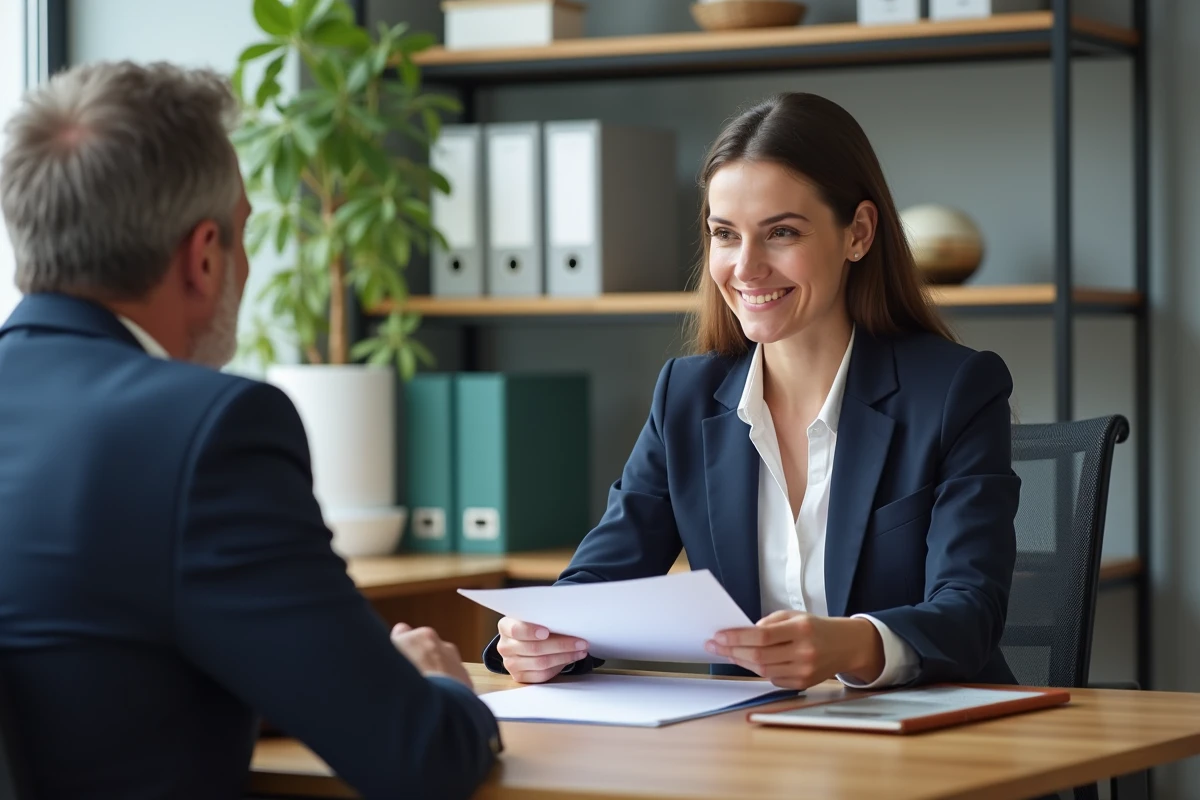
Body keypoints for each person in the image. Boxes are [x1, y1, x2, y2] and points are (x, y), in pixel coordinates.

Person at [0, 61, 499, 800]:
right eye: (243, 232)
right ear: (204, 256)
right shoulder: (205, 432)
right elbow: (418, 758)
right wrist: (447, 690)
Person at [487, 92, 1021, 691]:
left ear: (859, 234)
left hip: (931, 745)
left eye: (781, 233)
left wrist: (849, 643)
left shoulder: (955, 391)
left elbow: (971, 611)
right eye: (725, 234)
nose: (745, 268)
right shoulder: (685, 397)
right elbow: (601, 580)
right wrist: (540, 639)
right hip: (751, 745)